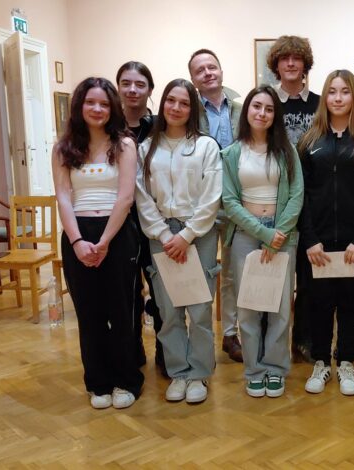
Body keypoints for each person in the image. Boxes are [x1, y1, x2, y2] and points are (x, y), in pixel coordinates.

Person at [52, 77, 143, 410]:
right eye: (91, 102)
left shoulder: (125, 145)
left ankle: (126, 380)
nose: (97, 109)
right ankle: (98, 382)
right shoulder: (63, 148)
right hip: (78, 234)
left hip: (116, 234)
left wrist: (104, 241)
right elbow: (63, 196)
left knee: (121, 312)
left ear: (112, 108)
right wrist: (77, 241)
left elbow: (126, 197)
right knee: (88, 314)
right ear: (79, 106)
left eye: (104, 104)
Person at [298, 70, 354, 396]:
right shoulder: (309, 141)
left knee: (351, 305)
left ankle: (347, 361)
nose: (338, 98)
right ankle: (321, 362)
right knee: (319, 306)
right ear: (324, 97)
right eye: (332, 92)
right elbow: (300, 195)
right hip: (318, 245)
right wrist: (310, 239)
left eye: (345, 92)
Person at [135, 79, 222, 404]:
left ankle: (199, 373)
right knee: (169, 310)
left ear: (192, 109)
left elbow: (212, 196)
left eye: (184, 103)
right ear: (162, 104)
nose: (176, 107)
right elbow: (142, 197)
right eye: (171, 100)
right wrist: (164, 234)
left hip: (198, 233)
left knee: (199, 309)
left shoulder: (206, 146)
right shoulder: (147, 148)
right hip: (161, 235)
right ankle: (178, 372)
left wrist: (186, 235)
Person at [221, 86, 304, 398]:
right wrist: (264, 234)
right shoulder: (232, 153)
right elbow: (229, 201)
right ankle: (254, 370)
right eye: (257, 106)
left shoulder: (287, 151)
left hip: (283, 236)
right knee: (249, 306)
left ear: (275, 115)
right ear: (247, 111)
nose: (262, 113)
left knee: (280, 307)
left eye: (269, 109)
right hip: (246, 235)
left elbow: (296, 195)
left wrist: (278, 233)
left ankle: (276, 369)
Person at [266, 34, 319, 363]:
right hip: (277, 199)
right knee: (274, 276)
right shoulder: (268, 101)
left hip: (314, 198)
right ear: (276, 65)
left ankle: (304, 339)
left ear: (304, 64)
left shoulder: (320, 103)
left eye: (296, 58)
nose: (290, 63)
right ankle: (272, 342)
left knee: (309, 276)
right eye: (284, 58)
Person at [188, 48, 244, 363]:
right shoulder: (188, 110)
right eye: (200, 70)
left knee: (233, 273)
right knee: (204, 273)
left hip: (237, 203)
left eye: (212, 67)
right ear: (193, 79)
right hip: (203, 205)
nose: (208, 73)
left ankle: (231, 334)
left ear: (221, 70)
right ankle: (201, 338)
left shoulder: (240, 107)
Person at [115, 61, 167, 377]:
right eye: (126, 83)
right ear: (118, 87)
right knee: (127, 292)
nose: (132, 90)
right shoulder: (108, 126)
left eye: (140, 84)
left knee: (161, 290)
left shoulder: (161, 126)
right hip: (120, 221)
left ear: (150, 89)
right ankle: (131, 351)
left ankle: (166, 350)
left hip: (157, 219)